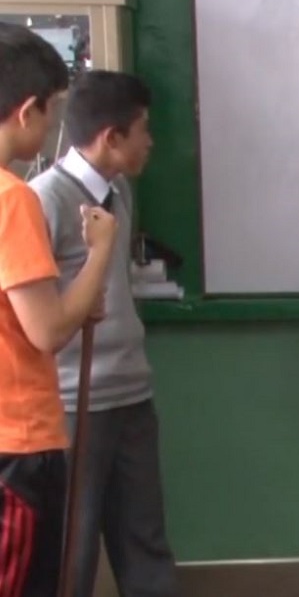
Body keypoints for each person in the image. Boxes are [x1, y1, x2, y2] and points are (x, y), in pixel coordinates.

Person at [29, 70, 179, 597]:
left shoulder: (119, 190)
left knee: (146, 541)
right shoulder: (43, 200)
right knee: (73, 549)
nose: (151, 141)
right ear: (111, 136)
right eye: (144, 129)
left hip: (131, 391)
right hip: (74, 402)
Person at [0, 23, 116, 597]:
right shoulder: (12, 197)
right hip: (17, 443)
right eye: (49, 113)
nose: (50, 130)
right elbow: (46, 330)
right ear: (26, 112)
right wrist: (99, 254)